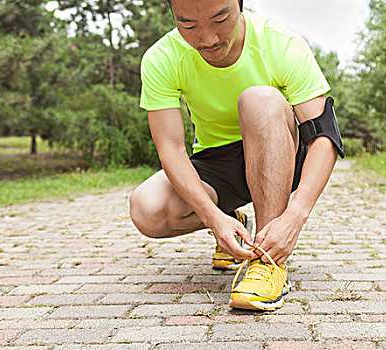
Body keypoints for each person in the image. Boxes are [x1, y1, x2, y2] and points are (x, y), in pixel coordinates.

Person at [129, 0, 344, 311]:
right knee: (145, 208)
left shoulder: (280, 41)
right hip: (217, 164)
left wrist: (295, 215)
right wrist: (213, 218)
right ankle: (233, 221)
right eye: (189, 26)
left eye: (220, 20)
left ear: (240, 5)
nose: (208, 39)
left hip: (278, 150)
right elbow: (172, 150)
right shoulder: (162, 58)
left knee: (260, 98)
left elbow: (324, 137)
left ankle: (267, 262)